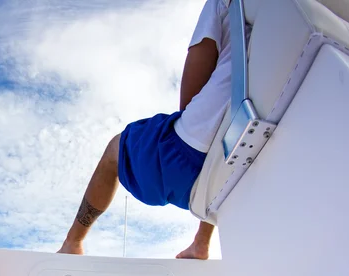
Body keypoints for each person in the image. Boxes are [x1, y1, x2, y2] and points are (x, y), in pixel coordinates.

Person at [58, 0, 233, 259]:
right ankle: (202, 242)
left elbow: (191, 100)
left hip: (189, 159)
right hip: (248, 158)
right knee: (230, 148)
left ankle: (73, 242)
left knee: (115, 150)